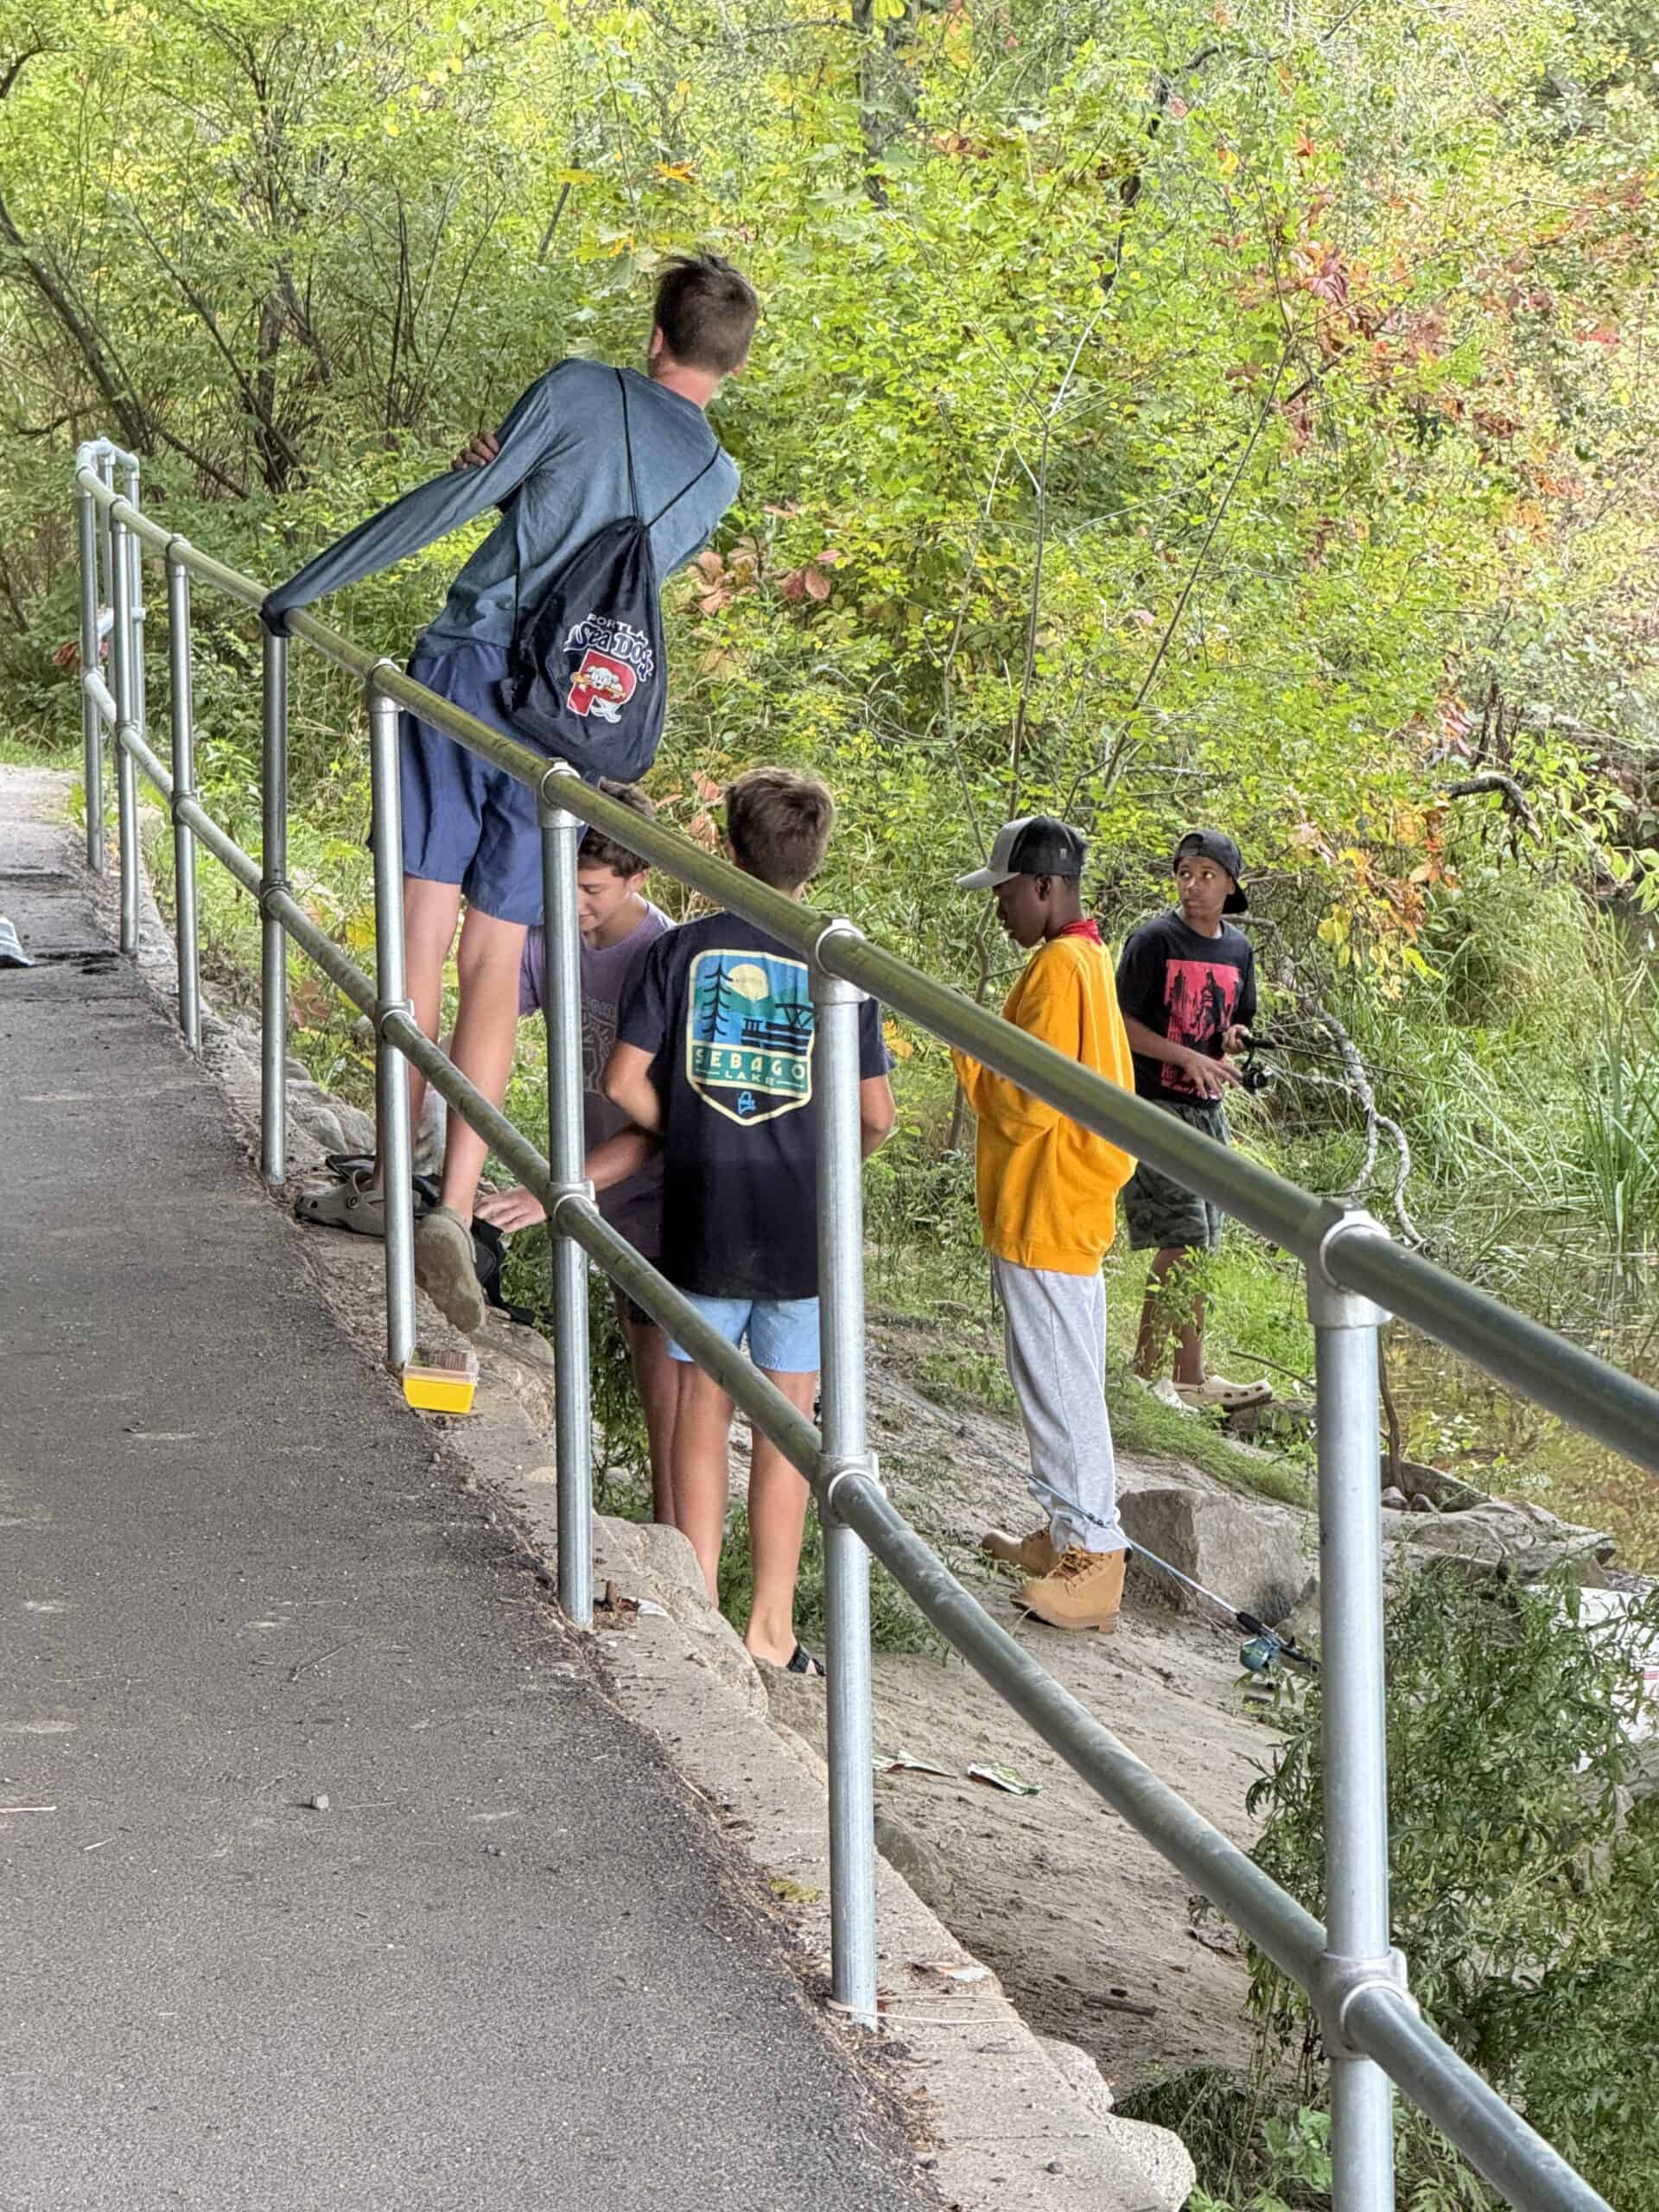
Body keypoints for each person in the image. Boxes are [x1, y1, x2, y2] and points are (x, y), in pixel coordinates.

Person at [264, 252, 759, 1332]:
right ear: (733, 360)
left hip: (468, 677)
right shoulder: (714, 481)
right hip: (570, 729)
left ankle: (395, 1181)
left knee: (419, 941)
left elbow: (465, 499)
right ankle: (452, 1202)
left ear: (657, 335)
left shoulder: (580, 389)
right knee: (498, 958)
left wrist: (302, 590)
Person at [603, 769, 895, 1673]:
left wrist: (689, 1132)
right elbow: (877, 1115)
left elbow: (622, 1083)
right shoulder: (840, 959)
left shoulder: (680, 952)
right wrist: (816, 1156)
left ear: (727, 846)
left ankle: (694, 1598)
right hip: (802, 1221)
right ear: (814, 858)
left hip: (706, 1205)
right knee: (788, 1417)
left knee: (702, 1401)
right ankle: (771, 1628)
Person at [952, 817, 1139, 1635]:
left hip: (1047, 1200)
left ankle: (1094, 1559)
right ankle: (1067, 1533)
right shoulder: (1085, 957)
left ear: (1043, 888)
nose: (999, 910)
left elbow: (1026, 1101)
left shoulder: (1060, 968)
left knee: (1058, 1381)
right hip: (1065, 1199)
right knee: (1066, 1372)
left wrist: (968, 1052)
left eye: (1004, 895)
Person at [474, 784, 678, 1522]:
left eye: (591, 888)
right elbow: (488, 1016)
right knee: (638, 1345)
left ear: (637, 878)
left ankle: (677, 1547)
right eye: (564, 880)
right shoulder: (550, 935)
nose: (575, 901)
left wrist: (557, 1189)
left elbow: (662, 1125)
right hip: (598, 1181)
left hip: (650, 1187)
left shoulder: (660, 956)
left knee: (667, 1385)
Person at [1116, 830, 1272, 1412]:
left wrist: (1233, 1038)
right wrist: (1184, 1056)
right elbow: (1121, 1025)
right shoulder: (1153, 940)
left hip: (1208, 1109)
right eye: (1185, 873)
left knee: (1203, 1241)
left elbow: (1238, 1023)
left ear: (1231, 884)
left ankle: (1186, 1378)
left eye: (1207, 875)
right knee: (1181, 1239)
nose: (1193, 886)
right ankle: (1148, 1373)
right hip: (1151, 1104)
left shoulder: (1237, 951)